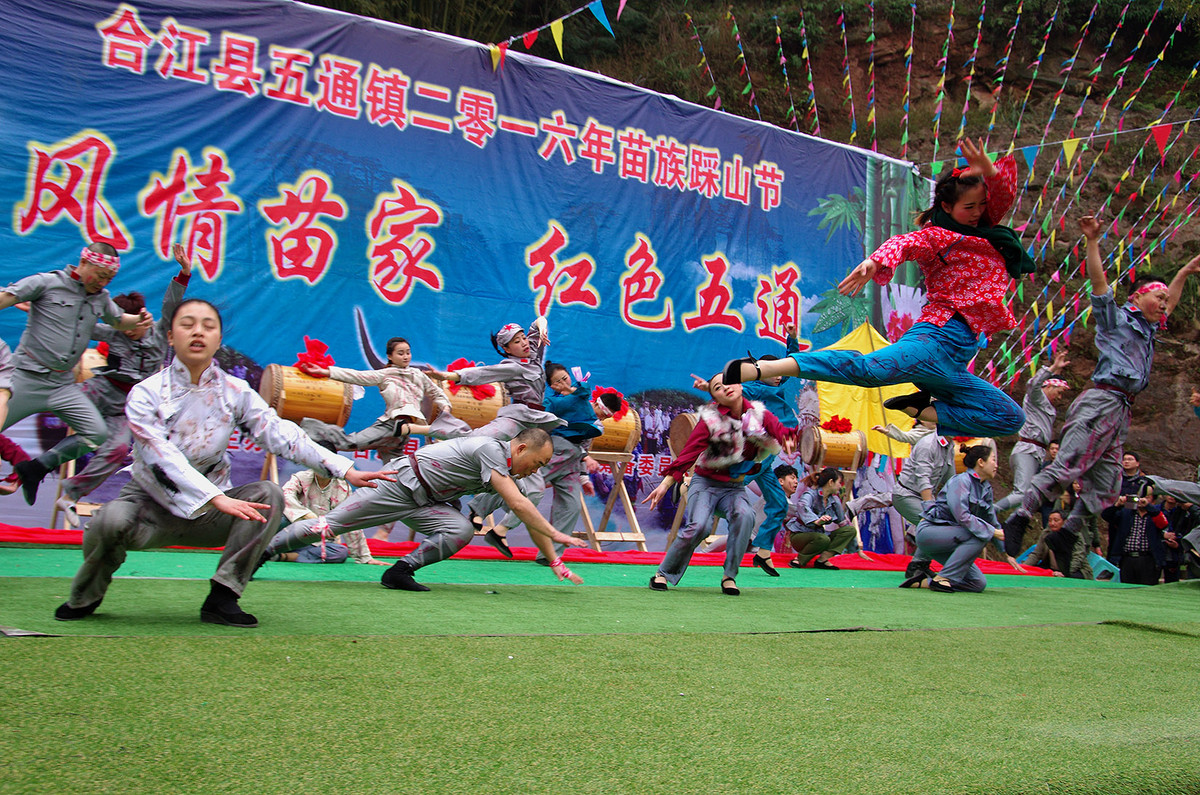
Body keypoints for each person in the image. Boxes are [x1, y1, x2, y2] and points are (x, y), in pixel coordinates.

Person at [54, 299, 388, 627]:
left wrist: (345, 469)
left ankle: (223, 597)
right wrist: (215, 496)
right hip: (149, 505)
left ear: (218, 339)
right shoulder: (146, 393)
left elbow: (280, 433)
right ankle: (86, 596)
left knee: (268, 496)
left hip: (211, 514)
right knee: (110, 520)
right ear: (170, 337)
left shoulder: (234, 391)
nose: (197, 332)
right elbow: (161, 455)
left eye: (208, 326)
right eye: (187, 325)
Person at [723, 138, 1029, 440]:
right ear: (947, 207)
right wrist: (874, 262)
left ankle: (923, 409)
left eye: (982, 205)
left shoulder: (987, 233)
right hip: (937, 336)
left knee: (1010, 418)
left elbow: (1002, 196)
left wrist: (989, 170)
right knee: (867, 371)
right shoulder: (938, 237)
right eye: (969, 206)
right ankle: (765, 368)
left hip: (957, 358)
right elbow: (904, 243)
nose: (977, 212)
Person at [1003, 217, 1200, 555]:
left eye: (1165, 299)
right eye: (1158, 296)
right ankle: (1019, 518)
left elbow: (1172, 302)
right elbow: (1099, 284)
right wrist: (1092, 242)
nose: (1164, 303)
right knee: (1068, 465)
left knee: (1109, 483)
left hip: (1121, 409)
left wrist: (1183, 273)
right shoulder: (1116, 320)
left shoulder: (1150, 329)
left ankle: (1068, 532)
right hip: (1101, 401)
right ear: (1138, 297)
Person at [263, 427, 587, 589]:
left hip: (427, 503)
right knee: (326, 527)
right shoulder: (490, 449)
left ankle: (399, 572)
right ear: (521, 448)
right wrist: (558, 533)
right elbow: (518, 503)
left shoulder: (509, 475)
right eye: (538, 463)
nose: (536, 470)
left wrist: (555, 560)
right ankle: (261, 551)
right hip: (396, 486)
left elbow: (526, 514)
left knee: (460, 530)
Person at [1, 242, 153, 503]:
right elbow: (6, 297)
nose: (103, 282)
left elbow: (118, 321)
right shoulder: (46, 283)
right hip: (26, 379)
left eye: (109, 279)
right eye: (100, 275)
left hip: (62, 386)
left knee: (97, 434)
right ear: (83, 263)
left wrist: (139, 320)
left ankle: (36, 468)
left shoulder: (101, 298)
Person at [55, 243, 193, 523]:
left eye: (132, 324)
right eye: (122, 324)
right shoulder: (113, 331)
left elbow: (171, 305)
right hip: (100, 390)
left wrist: (184, 273)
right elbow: (77, 322)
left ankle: (70, 495)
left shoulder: (158, 332)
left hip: (128, 405)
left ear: (142, 317)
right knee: (50, 397)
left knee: (117, 450)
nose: (128, 331)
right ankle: (24, 467)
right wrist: (42, 307)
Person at [642, 373, 797, 596]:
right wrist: (665, 485)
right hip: (706, 484)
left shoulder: (760, 414)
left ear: (740, 386)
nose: (725, 388)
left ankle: (729, 577)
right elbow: (688, 453)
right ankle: (663, 573)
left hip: (734, 488)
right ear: (715, 397)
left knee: (745, 516)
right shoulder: (711, 420)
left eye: (728, 383)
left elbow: (782, 432)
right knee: (700, 526)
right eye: (717, 388)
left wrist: (788, 439)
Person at [477, 362, 620, 561]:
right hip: (553, 452)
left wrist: (584, 477)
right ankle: (480, 512)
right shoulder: (562, 403)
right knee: (519, 486)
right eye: (558, 381)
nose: (602, 417)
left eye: (565, 378)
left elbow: (583, 448)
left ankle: (549, 554)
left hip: (571, 463)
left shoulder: (592, 420)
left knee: (571, 506)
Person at [297, 336, 459, 463]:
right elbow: (356, 376)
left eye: (408, 352)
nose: (406, 357)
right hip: (391, 425)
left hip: (402, 435)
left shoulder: (418, 375)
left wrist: (445, 408)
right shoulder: (385, 374)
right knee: (349, 443)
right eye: (400, 353)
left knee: (396, 474)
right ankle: (305, 426)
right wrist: (326, 372)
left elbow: (437, 393)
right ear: (390, 356)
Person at [738, 323, 802, 576]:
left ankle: (763, 552)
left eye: (779, 372)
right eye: (772, 371)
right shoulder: (753, 388)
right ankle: (694, 486)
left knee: (778, 504)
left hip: (770, 457)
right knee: (734, 484)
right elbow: (729, 390)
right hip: (760, 451)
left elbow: (792, 364)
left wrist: (792, 339)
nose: (778, 376)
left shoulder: (777, 384)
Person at [901, 444, 1005, 592]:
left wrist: (1006, 551)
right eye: (993, 460)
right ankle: (943, 578)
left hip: (952, 539)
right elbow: (962, 516)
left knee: (977, 583)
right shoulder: (961, 481)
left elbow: (991, 520)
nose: (996, 465)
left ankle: (923, 582)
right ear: (981, 462)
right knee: (980, 534)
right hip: (931, 533)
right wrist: (992, 531)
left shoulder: (985, 488)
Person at [994, 350, 1071, 517]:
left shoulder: (1049, 407)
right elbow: (1033, 384)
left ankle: (1011, 526)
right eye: (1059, 392)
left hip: (1038, 453)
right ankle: (991, 512)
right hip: (1027, 449)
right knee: (1022, 493)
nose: (1060, 398)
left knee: (1030, 498)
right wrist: (1052, 368)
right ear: (1049, 386)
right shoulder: (1036, 398)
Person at [267, 468, 387, 566]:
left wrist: (365, 557)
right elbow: (285, 497)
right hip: (289, 531)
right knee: (281, 518)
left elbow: (350, 520)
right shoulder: (301, 478)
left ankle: (283, 557)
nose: (323, 470)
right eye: (319, 465)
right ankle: (266, 549)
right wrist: (306, 515)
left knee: (340, 552)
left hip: (312, 540)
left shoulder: (342, 488)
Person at [787, 467, 856, 569]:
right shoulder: (810, 495)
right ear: (831, 482)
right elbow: (802, 506)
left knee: (850, 530)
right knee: (823, 539)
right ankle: (799, 560)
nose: (840, 486)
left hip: (820, 535)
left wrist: (857, 549)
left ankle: (823, 559)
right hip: (800, 535)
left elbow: (843, 523)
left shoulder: (834, 500)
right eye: (839, 482)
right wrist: (816, 521)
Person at [1102, 485, 1171, 586]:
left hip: (1148, 559)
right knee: (1127, 587)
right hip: (1127, 558)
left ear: (1153, 500)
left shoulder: (1155, 514)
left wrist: (1148, 506)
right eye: (1139, 497)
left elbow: (1163, 524)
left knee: (1147, 588)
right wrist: (1117, 505)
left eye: (1147, 497)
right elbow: (1106, 516)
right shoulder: (1126, 513)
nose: (1141, 500)